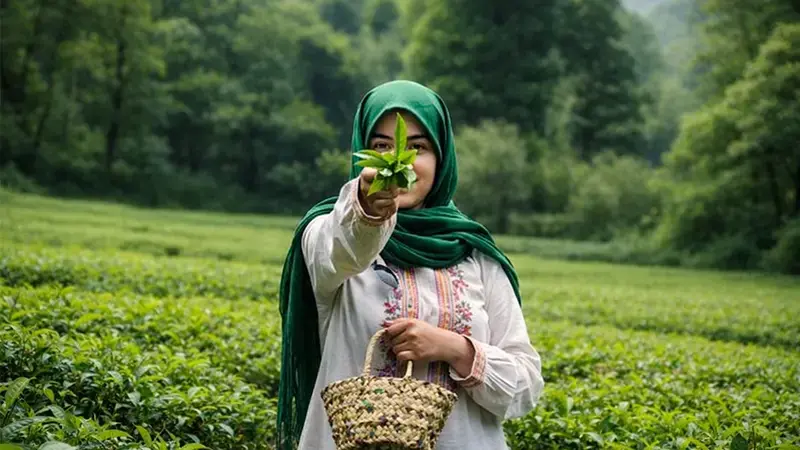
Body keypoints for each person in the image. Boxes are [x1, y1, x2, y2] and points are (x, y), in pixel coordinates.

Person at [277, 79, 544, 450]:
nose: (398, 161)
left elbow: (525, 387)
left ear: (441, 157)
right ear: (362, 155)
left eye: (416, 147)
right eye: (382, 146)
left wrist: (456, 349)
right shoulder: (329, 231)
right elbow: (344, 248)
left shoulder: (474, 253)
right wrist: (369, 210)